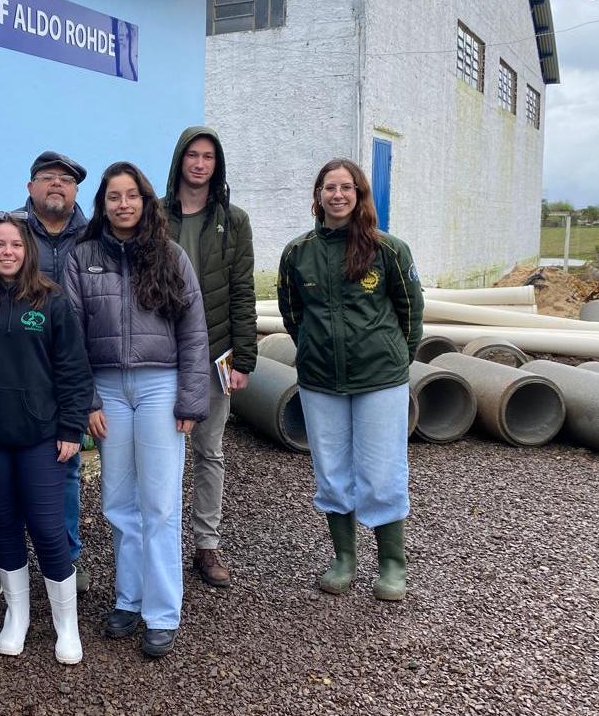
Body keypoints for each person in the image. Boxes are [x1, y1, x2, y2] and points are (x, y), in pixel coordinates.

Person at [63, 162, 208, 658]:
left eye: (131, 196)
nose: (122, 204)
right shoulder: (81, 259)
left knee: (161, 503)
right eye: (113, 197)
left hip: (159, 386)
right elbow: (72, 337)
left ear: (146, 202)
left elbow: (194, 331)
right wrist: (87, 400)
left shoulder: (171, 257)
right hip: (107, 389)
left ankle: (162, 612)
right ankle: (129, 598)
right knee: (118, 502)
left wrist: (191, 396)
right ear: (102, 205)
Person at [277, 157, 424, 602]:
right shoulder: (297, 253)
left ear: (360, 195)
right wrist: (311, 347)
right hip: (321, 379)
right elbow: (292, 313)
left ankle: (392, 565)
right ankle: (344, 558)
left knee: (381, 472)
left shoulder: (389, 250)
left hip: (380, 378)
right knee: (332, 471)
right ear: (317, 196)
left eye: (347, 188)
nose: (337, 195)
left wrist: (397, 356)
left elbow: (411, 311)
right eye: (329, 188)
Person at [0, 212, 94, 664]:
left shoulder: (51, 302)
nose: (8, 252)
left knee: (48, 528)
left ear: (27, 250)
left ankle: (66, 625)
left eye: (15, 245)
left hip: (41, 434)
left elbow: (73, 369)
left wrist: (71, 427)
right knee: (2, 523)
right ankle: (16, 615)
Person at [0, 150, 91, 598]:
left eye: (65, 179)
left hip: (63, 373)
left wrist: (79, 410)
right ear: (30, 187)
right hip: (5, 392)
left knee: (67, 473)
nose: (56, 185)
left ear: (76, 189)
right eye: (47, 177)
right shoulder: (8, 230)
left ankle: (66, 559)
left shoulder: (91, 235)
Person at [162, 127, 257, 588]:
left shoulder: (233, 221)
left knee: (209, 450)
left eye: (208, 158)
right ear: (179, 160)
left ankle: (206, 544)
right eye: (192, 156)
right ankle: (160, 543)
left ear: (216, 166)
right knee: (162, 450)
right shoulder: (156, 218)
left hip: (216, 350)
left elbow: (242, 291)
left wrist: (245, 359)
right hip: (162, 353)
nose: (199, 164)